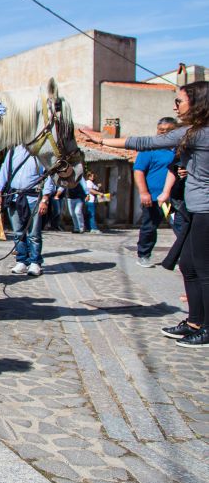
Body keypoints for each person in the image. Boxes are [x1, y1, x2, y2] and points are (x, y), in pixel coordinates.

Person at [81, 81, 208, 348]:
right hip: (196, 209)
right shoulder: (195, 133)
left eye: (180, 101)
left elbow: (148, 142)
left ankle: (206, 328)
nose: (175, 106)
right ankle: (196, 321)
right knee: (188, 266)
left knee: (203, 270)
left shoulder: (198, 134)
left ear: (197, 104)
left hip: (205, 210)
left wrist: (101, 138)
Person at [0, 145, 57, 276]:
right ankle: (21, 261)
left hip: (34, 197)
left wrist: (45, 198)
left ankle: (35, 262)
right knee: (18, 232)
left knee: (34, 233)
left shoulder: (41, 153)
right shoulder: (13, 152)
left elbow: (49, 175)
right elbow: (4, 170)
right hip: (14, 196)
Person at [132, 117, 177, 267]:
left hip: (175, 198)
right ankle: (144, 255)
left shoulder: (178, 150)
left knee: (180, 227)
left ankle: (183, 257)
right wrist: (144, 192)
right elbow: (138, 171)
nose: (163, 133)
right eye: (161, 130)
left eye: (168, 131)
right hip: (155, 198)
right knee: (150, 227)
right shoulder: (149, 149)